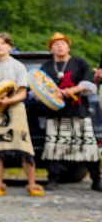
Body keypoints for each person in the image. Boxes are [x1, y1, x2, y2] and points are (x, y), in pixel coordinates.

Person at [0, 33, 44, 196]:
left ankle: (32, 184)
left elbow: (22, 93)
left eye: (3, 43)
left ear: (9, 47)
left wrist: (8, 101)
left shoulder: (18, 66)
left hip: (15, 110)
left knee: (24, 148)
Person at [39, 33, 100, 192]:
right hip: (56, 113)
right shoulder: (46, 67)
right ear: (51, 48)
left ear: (68, 46)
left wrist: (72, 90)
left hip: (78, 111)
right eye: (56, 44)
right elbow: (40, 87)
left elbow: (89, 83)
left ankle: (96, 180)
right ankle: (53, 180)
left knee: (89, 148)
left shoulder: (79, 62)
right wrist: (54, 94)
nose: (60, 46)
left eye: (63, 43)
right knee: (53, 148)